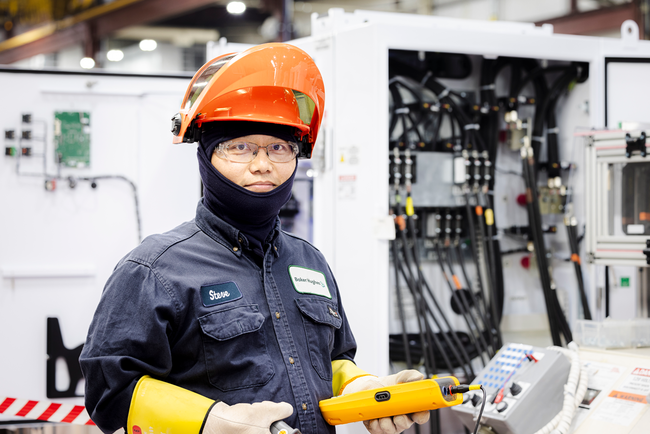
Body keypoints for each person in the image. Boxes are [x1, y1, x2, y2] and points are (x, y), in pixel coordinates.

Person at [79, 43, 429, 434]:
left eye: (279, 148)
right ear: (207, 157)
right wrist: (212, 422)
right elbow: (111, 390)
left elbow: (329, 361)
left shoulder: (308, 261)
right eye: (240, 147)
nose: (262, 164)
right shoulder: (153, 269)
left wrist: (365, 388)